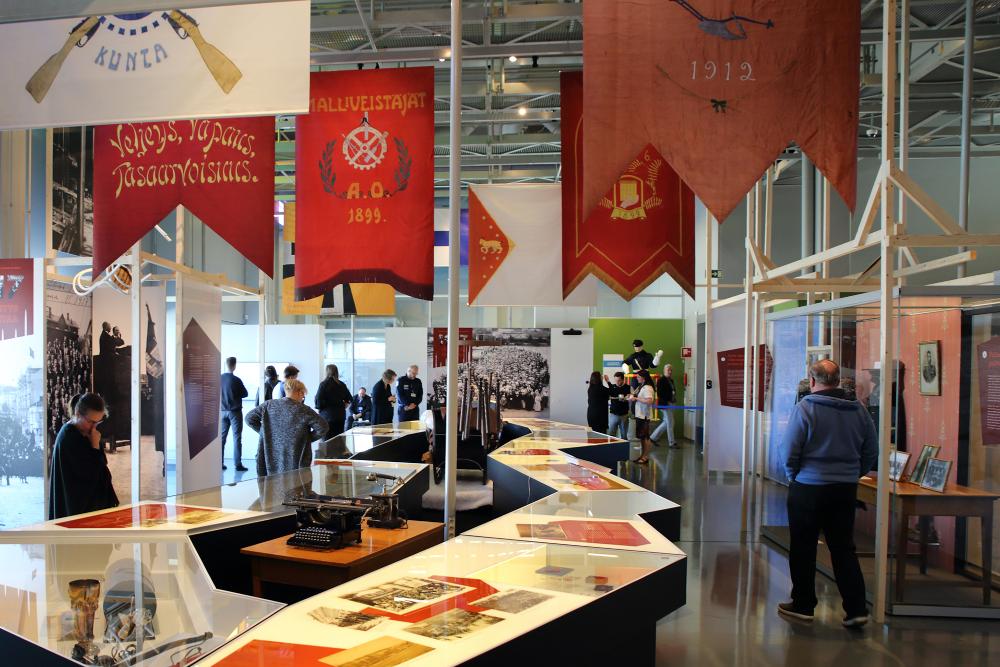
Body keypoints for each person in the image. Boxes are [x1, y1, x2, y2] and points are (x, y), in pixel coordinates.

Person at [778, 359, 877, 628]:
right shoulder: (858, 410)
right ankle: (856, 609)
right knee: (844, 548)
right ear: (837, 382)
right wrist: (852, 474)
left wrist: (793, 476)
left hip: (808, 487)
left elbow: (789, 450)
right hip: (844, 489)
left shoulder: (806, 408)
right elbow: (871, 450)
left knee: (803, 546)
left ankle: (803, 604)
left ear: (812, 381)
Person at [48, 393, 118, 520]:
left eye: (98, 422)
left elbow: (101, 469)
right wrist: (95, 446)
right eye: (91, 422)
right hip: (79, 514)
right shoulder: (69, 437)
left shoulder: (86, 433)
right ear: (78, 414)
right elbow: (91, 476)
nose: (94, 427)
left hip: (90, 512)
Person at [245, 379, 328, 476]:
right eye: (303, 395)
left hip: (270, 455)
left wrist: (265, 433)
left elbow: (249, 418)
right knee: (296, 486)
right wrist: (306, 438)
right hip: (296, 456)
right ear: (299, 392)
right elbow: (323, 427)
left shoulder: (268, 405)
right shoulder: (303, 409)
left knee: (271, 485)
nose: (302, 398)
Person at [220, 356, 249, 472]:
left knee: (222, 438)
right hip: (235, 412)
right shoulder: (236, 380)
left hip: (222, 412)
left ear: (225, 364)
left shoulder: (219, 378)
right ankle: (238, 464)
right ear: (234, 365)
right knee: (237, 438)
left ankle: (219, 463)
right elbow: (245, 394)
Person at [315, 364, 352, 437]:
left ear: (327, 372)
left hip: (327, 416)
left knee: (327, 440)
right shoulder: (341, 384)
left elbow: (318, 402)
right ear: (336, 372)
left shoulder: (323, 384)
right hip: (340, 416)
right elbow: (349, 399)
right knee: (339, 439)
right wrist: (343, 407)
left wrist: (321, 408)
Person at [628, 370, 656, 464]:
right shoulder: (642, 386)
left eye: (638, 377)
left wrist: (636, 398)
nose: (637, 378)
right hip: (640, 415)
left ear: (643, 377)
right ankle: (643, 455)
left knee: (645, 437)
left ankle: (645, 456)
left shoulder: (647, 388)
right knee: (642, 437)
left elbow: (649, 401)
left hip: (644, 415)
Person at [650, 364, 678, 448]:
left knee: (666, 422)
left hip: (671, 403)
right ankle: (672, 442)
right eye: (668, 370)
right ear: (664, 370)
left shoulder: (671, 380)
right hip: (665, 404)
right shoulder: (661, 380)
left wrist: (673, 398)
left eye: (670, 370)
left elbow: (672, 391)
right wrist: (667, 400)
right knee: (670, 423)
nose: (669, 372)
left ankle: (652, 438)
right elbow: (660, 393)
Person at [607, 371, 630, 440]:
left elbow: (632, 398)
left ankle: (623, 450)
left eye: (619, 380)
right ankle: (612, 449)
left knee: (624, 436)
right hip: (613, 415)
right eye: (616, 380)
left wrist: (628, 398)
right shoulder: (612, 387)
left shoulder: (628, 388)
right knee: (611, 435)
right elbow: (606, 396)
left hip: (624, 415)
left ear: (623, 380)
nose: (617, 382)